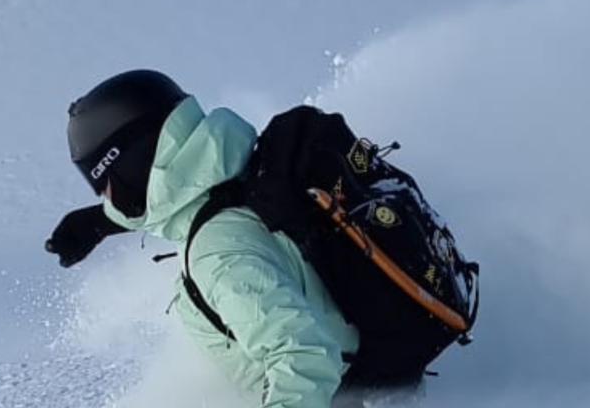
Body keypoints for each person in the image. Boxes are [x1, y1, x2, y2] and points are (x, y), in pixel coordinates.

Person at [45, 69, 365, 408]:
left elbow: (304, 358)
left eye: (104, 182)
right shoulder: (240, 172)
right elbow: (182, 194)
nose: (106, 197)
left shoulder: (218, 255)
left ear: (132, 165)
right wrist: (100, 222)